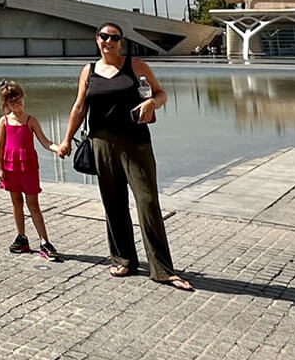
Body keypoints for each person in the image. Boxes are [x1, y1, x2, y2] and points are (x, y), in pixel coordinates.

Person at [57, 23, 193, 290]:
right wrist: (65, 140)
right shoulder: (88, 71)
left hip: (135, 142)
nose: (109, 41)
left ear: (121, 42)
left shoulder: (136, 65)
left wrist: (152, 102)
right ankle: (123, 259)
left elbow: (161, 93)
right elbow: (79, 107)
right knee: (113, 203)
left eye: (114, 38)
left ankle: (162, 269)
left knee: (147, 202)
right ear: (97, 39)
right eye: (104, 36)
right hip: (101, 143)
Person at [0, 79, 62, 261]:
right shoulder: (4, 122)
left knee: (33, 204)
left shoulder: (31, 121)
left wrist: (58, 148)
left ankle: (44, 241)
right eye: (12, 101)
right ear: (6, 104)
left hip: (28, 168)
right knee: (16, 202)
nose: (17, 103)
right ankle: (21, 238)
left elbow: (45, 142)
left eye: (19, 99)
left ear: (23, 98)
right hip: (10, 167)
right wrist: (0, 168)